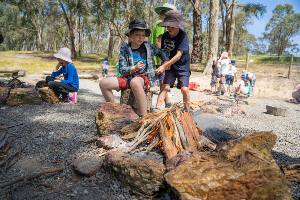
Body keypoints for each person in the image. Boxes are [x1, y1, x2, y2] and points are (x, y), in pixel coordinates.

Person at [99, 19, 169, 117]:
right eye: (137, 35)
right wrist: (133, 68)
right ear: (130, 35)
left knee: (135, 82)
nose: (141, 38)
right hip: (127, 77)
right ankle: (116, 111)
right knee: (104, 83)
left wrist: (163, 66)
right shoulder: (125, 49)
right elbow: (122, 69)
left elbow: (163, 54)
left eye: (143, 35)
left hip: (143, 78)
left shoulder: (148, 47)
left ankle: (143, 116)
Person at [154, 10, 191, 112]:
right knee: (165, 87)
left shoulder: (183, 36)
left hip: (182, 67)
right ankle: (157, 108)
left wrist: (165, 65)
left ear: (178, 26)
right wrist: (165, 63)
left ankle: (187, 110)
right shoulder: (165, 35)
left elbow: (179, 55)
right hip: (170, 66)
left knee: (184, 89)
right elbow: (164, 52)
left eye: (172, 26)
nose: (169, 28)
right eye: (167, 26)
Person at [149, 3, 176, 108]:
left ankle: (167, 101)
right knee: (158, 79)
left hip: (158, 56)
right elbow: (158, 41)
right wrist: (164, 60)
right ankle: (157, 104)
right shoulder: (161, 24)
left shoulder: (161, 23)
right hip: (158, 57)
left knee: (160, 79)